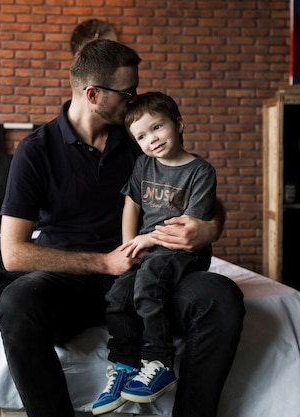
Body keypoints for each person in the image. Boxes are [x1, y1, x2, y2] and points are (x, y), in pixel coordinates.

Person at [0, 39, 245, 417]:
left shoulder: (140, 140)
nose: (135, 101)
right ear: (94, 94)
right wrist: (104, 263)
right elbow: (13, 253)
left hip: (150, 273)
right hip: (74, 281)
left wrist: (209, 230)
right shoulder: (37, 150)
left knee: (220, 296)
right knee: (15, 303)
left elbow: (207, 199)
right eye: (128, 93)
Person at [92, 91, 217, 415]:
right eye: (142, 136)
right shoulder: (144, 165)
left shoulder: (200, 171)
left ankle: (160, 362)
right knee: (118, 293)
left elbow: (190, 224)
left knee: (148, 283)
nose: (152, 140)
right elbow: (131, 204)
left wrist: (147, 241)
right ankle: (124, 366)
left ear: (178, 123)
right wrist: (128, 245)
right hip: (148, 248)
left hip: (182, 249)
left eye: (157, 128)